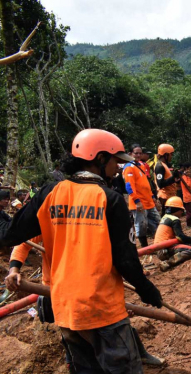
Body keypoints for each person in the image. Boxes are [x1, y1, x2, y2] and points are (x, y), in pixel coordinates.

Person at [1, 128, 162, 373]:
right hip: (102, 309)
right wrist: (148, 291)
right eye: (115, 161)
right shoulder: (110, 199)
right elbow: (126, 260)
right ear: (100, 158)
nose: (118, 168)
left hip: (66, 308)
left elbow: (9, 234)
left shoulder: (49, 193)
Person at [123, 144, 161, 248]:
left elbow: (146, 183)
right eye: (136, 153)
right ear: (130, 154)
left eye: (140, 153)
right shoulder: (129, 168)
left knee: (158, 221)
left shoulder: (141, 165)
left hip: (149, 201)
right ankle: (145, 247)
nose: (138, 155)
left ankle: (161, 242)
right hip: (139, 203)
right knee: (141, 225)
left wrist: (152, 196)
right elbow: (129, 186)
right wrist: (137, 201)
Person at [154, 196, 191, 271]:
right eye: (181, 210)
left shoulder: (165, 217)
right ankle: (168, 262)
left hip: (161, 249)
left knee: (188, 245)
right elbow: (180, 237)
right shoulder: (174, 219)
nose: (182, 212)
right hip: (164, 250)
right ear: (177, 210)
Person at [155, 144, 180, 216]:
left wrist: (175, 180)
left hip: (169, 195)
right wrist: (173, 178)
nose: (171, 156)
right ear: (166, 155)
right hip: (165, 196)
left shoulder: (164, 164)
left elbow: (168, 180)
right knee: (168, 217)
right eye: (171, 154)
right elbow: (160, 184)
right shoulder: (159, 166)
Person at [180, 163, 191, 227]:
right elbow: (188, 185)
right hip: (188, 198)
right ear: (186, 169)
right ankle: (189, 225)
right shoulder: (184, 177)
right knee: (190, 212)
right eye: (190, 168)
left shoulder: (187, 176)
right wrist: (189, 177)